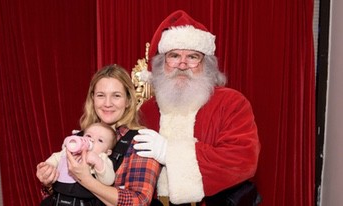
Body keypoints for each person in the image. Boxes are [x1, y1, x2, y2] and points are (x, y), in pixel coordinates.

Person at [133, 10, 261, 205]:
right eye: (174, 55)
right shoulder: (147, 111)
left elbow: (241, 160)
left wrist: (170, 153)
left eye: (193, 57)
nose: (182, 64)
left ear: (207, 64)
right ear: (161, 64)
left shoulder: (232, 104)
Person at [36, 64, 162, 206]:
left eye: (116, 96)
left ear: (128, 101)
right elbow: (59, 194)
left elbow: (139, 201)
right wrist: (49, 179)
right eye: (101, 95)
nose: (107, 103)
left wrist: (86, 180)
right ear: (93, 99)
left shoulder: (141, 141)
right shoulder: (80, 137)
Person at [41, 122, 118, 205]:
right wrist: (48, 166)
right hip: (59, 197)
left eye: (100, 140)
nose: (91, 140)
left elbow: (109, 181)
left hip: (84, 201)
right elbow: (56, 157)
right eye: (88, 136)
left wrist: (97, 162)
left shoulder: (102, 158)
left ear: (108, 152)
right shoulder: (71, 150)